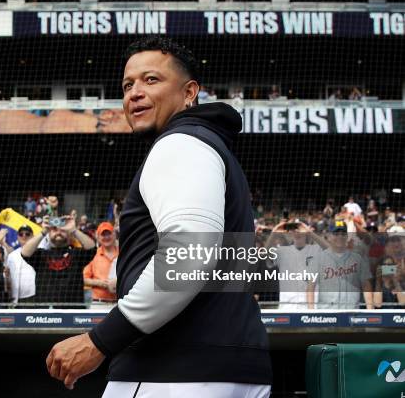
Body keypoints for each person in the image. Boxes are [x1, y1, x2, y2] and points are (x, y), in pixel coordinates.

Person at [45, 36, 272, 397]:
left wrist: (101, 341)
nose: (134, 92)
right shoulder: (208, 146)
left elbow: (189, 252)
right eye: (127, 85)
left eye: (151, 80)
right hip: (219, 368)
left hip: (172, 371)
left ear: (189, 92)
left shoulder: (181, 143)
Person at [21, 214, 95, 307]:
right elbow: (25, 253)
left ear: (68, 233)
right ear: (49, 233)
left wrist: (74, 230)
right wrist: (43, 231)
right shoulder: (41, 255)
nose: (58, 232)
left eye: (63, 230)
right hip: (45, 313)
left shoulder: (77, 255)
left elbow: (92, 248)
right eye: (54, 229)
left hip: (73, 312)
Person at [307, 220, 374, 309]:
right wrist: (311, 311)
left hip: (351, 313)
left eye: (343, 234)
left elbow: (366, 285)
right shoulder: (318, 259)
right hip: (327, 314)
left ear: (347, 236)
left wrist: (370, 309)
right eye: (336, 234)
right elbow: (311, 287)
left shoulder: (357, 259)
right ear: (329, 236)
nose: (340, 237)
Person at [264, 220, 329, 310]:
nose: (297, 232)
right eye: (294, 229)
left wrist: (310, 233)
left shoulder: (316, 250)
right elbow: (263, 255)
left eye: (300, 228)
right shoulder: (282, 251)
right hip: (286, 308)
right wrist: (274, 232)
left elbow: (331, 251)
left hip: (310, 308)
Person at [83, 222, 118, 302]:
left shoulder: (124, 254)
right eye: (103, 234)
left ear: (114, 235)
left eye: (109, 234)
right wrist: (101, 283)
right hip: (99, 303)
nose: (106, 237)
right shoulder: (92, 255)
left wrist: (118, 282)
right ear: (98, 237)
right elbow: (84, 279)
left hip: (120, 303)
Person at [5, 225, 36, 304]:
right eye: (21, 234)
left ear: (33, 236)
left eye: (27, 234)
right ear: (18, 237)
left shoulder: (40, 251)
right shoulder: (11, 256)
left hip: (34, 296)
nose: (24, 236)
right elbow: (8, 276)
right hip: (16, 298)